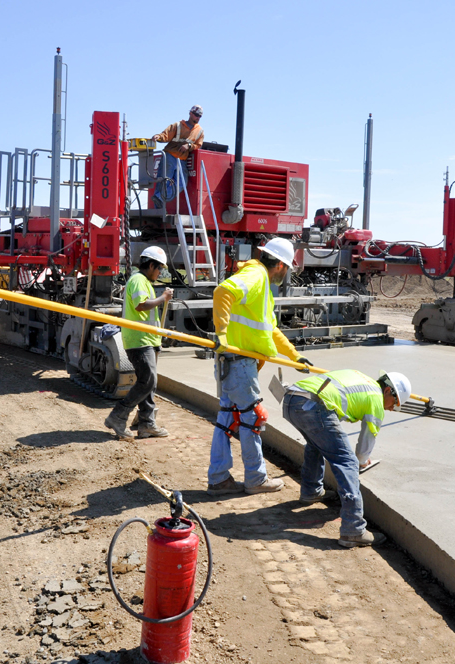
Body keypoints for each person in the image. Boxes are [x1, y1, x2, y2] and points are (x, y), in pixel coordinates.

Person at [207, 238, 314, 495]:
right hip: (240, 363)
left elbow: (270, 330)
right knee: (253, 417)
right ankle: (256, 479)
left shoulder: (260, 283)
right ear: (279, 264)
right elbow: (223, 292)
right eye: (286, 268)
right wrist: (221, 333)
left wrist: (294, 356)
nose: (285, 274)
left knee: (227, 418)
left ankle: (219, 478)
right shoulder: (257, 275)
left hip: (231, 363)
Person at [282, 369, 411, 547]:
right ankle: (353, 529)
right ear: (388, 391)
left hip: (292, 399)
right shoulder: (375, 399)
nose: (391, 408)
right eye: (394, 404)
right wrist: (362, 460)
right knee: (347, 461)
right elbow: (365, 444)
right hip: (313, 405)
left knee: (316, 443)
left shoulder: (363, 378)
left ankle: (311, 491)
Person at [104, 247, 174, 440]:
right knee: (147, 381)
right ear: (151, 265)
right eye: (159, 268)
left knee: (150, 383)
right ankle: (118, 416)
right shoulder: (138, 280)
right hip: (139, 340)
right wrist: (163, 298)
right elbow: (140, 305)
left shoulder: (144, 282)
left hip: (147, 339)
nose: (160, 273)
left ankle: (146, 424)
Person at [151, 105, 204, 209]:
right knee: (164, 181)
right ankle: (158, 207)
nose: (198, 118)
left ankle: (159, 198)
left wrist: (189, 146)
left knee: (181, 184)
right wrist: (159, 137)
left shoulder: (200, 131)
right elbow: (166, 135)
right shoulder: (178, 125)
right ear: (190, 113)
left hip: (182, 160)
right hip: (170, 156)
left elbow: (198, 145)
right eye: (196, 115)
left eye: (200, 116)